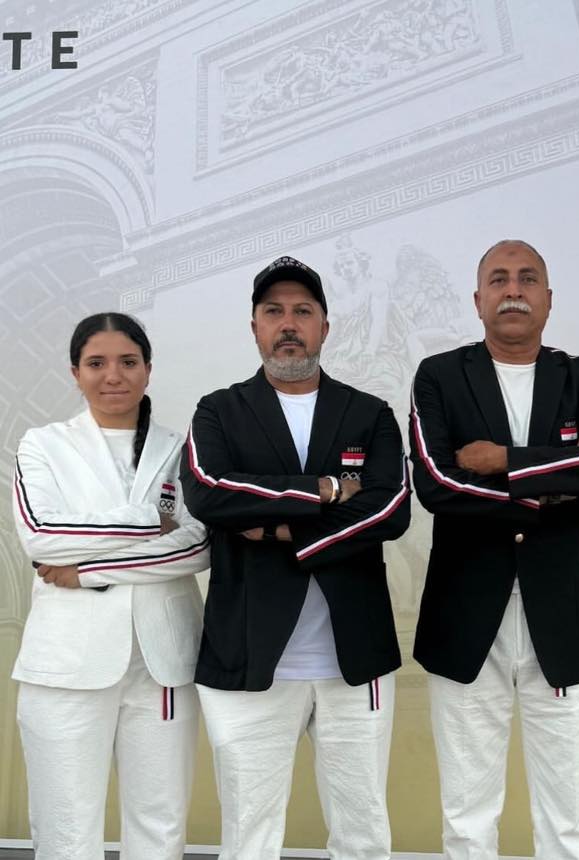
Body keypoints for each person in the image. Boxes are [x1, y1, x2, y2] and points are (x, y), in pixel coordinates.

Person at [180, 254, 410, 860]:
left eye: (303, 311)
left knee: (363, 835)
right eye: (274, 311)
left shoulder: (369, 413)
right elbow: (210, 494)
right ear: (254, 326)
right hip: (249, 655)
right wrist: (325, 490)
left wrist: (281, 530)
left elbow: (390, 510)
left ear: (324, 327)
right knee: (249, 836)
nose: (289, 324)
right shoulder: (219, 410)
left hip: (354, 657)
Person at [409, 239, 579, 860]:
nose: (513, 290)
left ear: (549, 299)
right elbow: (437, 483)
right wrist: (556, 479)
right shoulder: (440, 375)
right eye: (499, 279)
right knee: (467, 813)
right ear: (477, 299)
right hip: (464, 615)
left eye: (527, 278)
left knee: (568, 816)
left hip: (562, 615)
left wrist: (502, 460)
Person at [11, 312, 209, 860]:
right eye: (96, 363)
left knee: (160, 825)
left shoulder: (181, 448)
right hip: (68, 665)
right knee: (66, 827)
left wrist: (90, 570)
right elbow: (43, 536)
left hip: (162, 663)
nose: (113, 375)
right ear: (75, 372)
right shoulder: (43, 444)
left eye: (128, 361)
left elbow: (197, 545)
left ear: (148, 369)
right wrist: (150, 522)